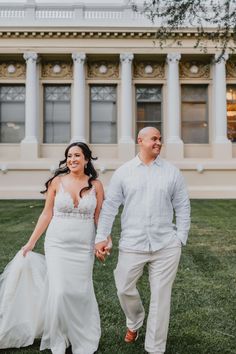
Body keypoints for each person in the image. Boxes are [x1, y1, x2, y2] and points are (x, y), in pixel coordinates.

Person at [0, 142, 110, 354]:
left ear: (87, 159)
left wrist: (104, 241)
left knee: (80, 292)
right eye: (69, 156)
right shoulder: (56, 182)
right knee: (59, 291)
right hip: (57, 244)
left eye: (77, 155)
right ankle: (58, 338)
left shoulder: (95, 185)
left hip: (83, 246)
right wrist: (31, 242)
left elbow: (100, 217)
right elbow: (46, 214)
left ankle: (81, 335)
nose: (72, 159)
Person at [95, 127, 191, 354]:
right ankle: (134, 321)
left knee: (161, 297)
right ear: (140, 140)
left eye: (160, 139)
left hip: (166, 245)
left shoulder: (172, 172)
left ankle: (155, 348)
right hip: (132, 243)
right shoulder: (124, 172)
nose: (159, 142)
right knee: (123, 287)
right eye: (154, 139)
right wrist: (101, 236)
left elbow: (183, 206)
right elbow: (110, 207)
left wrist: (180, 238)